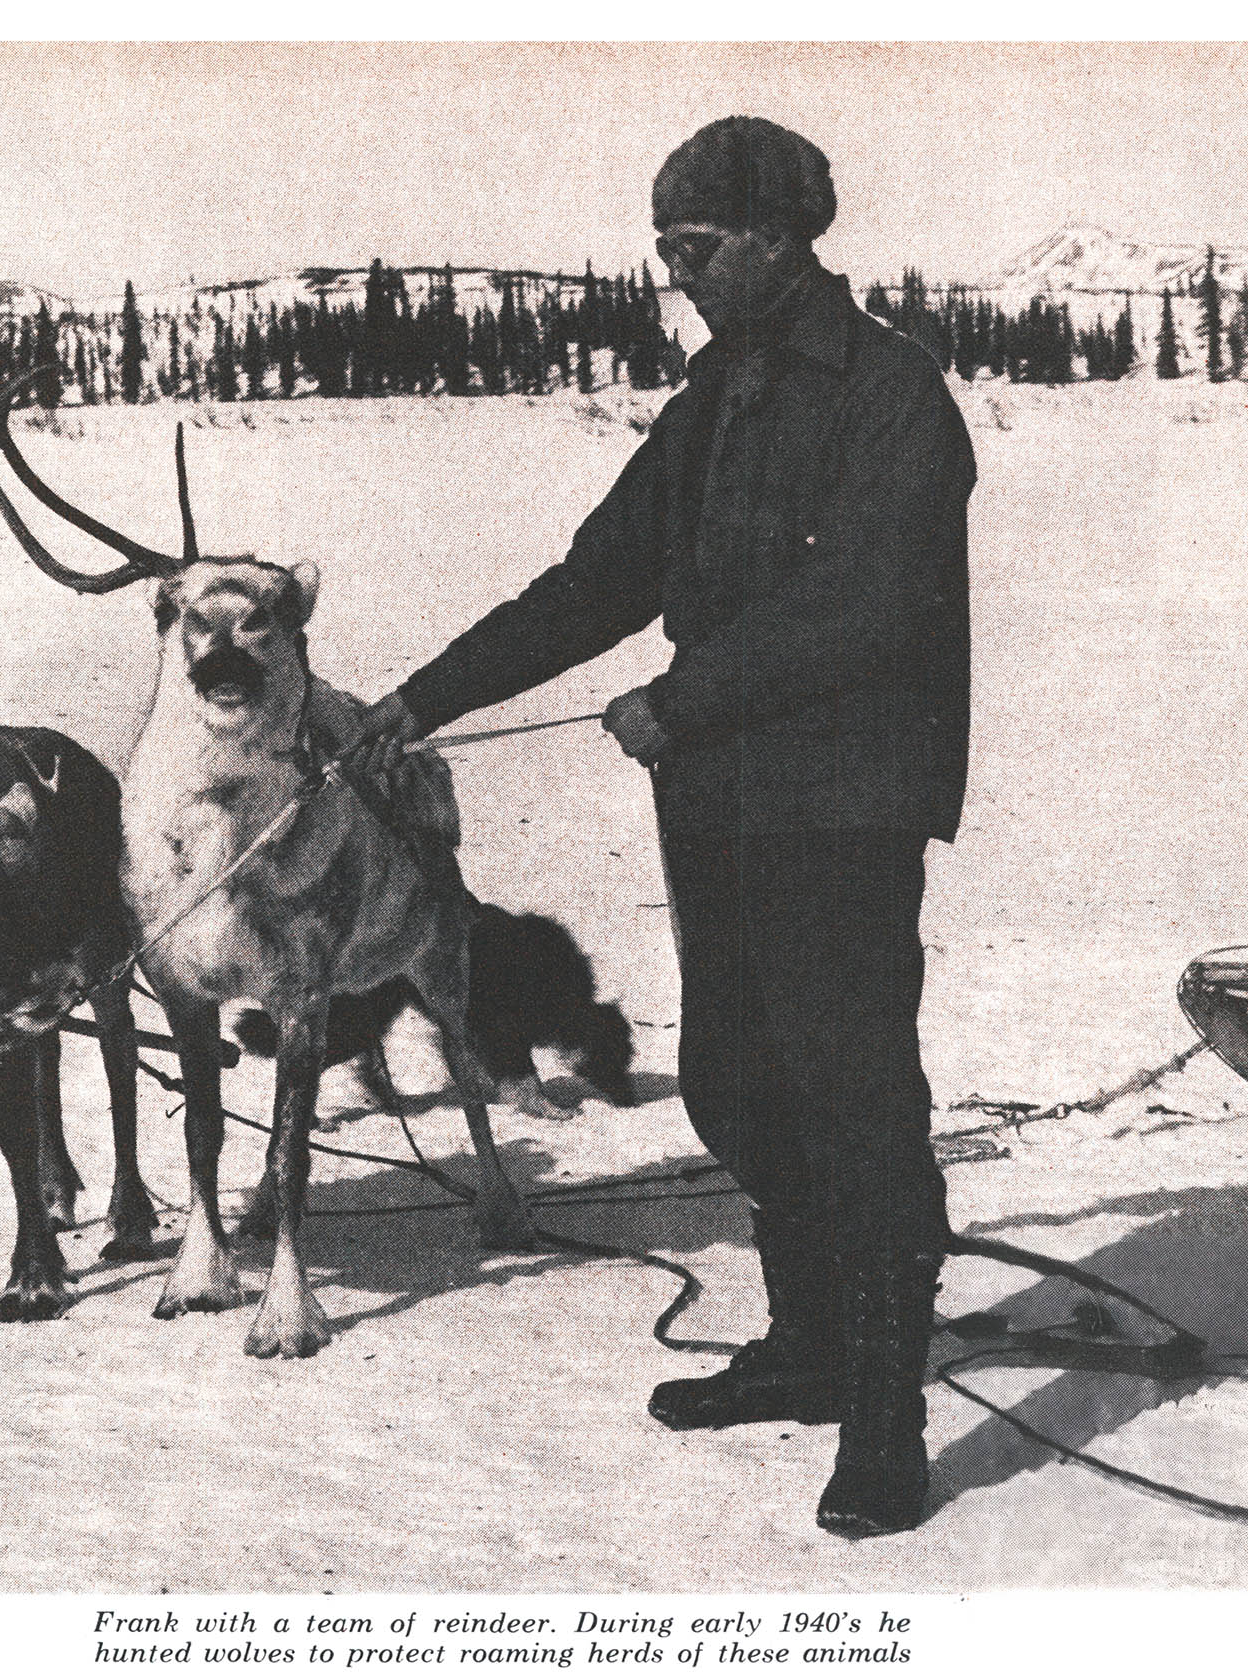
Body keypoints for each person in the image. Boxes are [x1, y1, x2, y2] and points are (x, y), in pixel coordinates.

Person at [349, 115, 975, 1538]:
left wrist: (684, 703)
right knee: (738, 1083)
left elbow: (872, 608)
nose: (678, 276)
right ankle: (812, 1343)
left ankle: (886, 1413)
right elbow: (595, 581)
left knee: (857, 1095)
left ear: (775, 237)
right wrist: (426, 698)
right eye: (668, 252)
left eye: (695, 249)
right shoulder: (713, 403)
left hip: (846, 802)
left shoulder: (892, 396)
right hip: (724, 806)